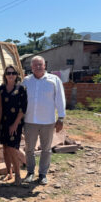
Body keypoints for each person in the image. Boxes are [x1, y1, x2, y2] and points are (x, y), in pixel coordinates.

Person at [22, 55, 66, 185]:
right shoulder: (26, 81)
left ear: (45, 65)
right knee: (29, 149)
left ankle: (42, 174)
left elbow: (60, 99)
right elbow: (20, 99)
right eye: (35, 65)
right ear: (31, 67)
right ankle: (30, 172)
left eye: (40, 64)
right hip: (30, 121)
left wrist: (61, 117)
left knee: (46, 149)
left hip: (48, 121)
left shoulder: (54, 80)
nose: (38, 67)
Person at [0, 65, 27, 186]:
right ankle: (8, 173)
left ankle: (18, 176)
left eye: (13, 73)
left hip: (16, 123)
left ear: (16, 75)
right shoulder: (1, 89)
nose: (11, 75)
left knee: (13, 149)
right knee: (5, 149)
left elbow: (23, 108)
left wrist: (15, 125)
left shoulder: (21, 89)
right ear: (5, 75)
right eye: (8, 73)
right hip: (3, 123)